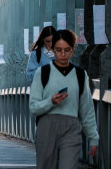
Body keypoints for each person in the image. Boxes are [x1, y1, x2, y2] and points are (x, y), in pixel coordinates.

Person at [29, 29, 98, 169]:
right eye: (58, 49)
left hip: (72, 127)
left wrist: (93, 138)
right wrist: (51, 102)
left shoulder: (80, 74)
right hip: (47, 126)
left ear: (73, 50)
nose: (63, 54)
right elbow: (33, 107)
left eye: (67, 50)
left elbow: (87, 109)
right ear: (52, 50)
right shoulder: (42, 73)